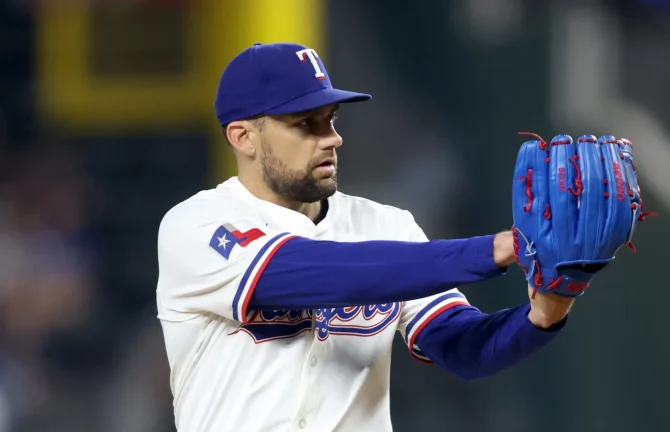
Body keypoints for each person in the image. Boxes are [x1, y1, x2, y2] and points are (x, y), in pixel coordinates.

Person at [156, 42, 574, 432]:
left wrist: (544, 314)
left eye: (331, 119)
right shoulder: (198, 226)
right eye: (306, 123)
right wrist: (502, 247)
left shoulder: (386, 225)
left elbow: (463, 349)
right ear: (243, 136)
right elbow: (320, 273)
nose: (332, 138)